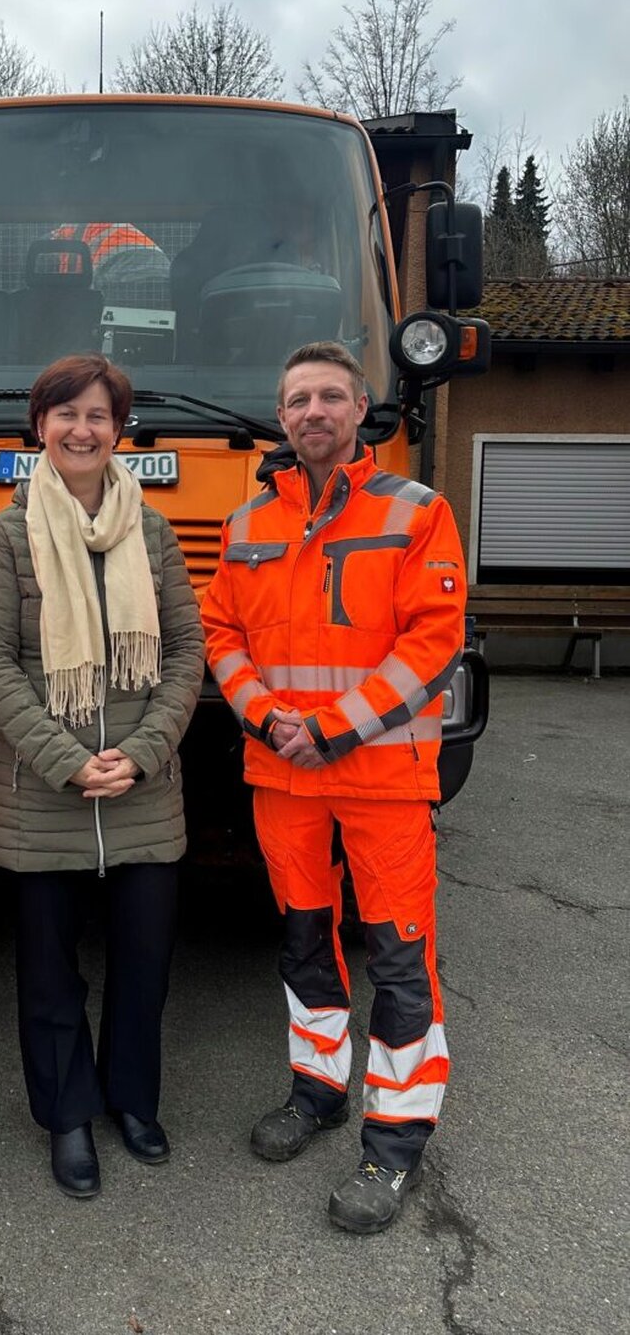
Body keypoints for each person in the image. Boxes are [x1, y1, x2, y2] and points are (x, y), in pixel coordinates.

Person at [201, 339, 466, 1234]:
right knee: (306, 944)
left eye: (330, 397)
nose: (313, 412)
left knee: (398, 961)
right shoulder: (244, 527)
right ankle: (316, 1092)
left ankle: (393, 1146)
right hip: (283, 779)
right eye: (297, 400)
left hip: (383, 779)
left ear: (360, 411)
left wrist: (329, 728)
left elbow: (432, 644)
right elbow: (220, 633)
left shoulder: (418, 510)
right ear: (281, 418)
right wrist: (264, 714)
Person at [0, 352, 203, 1198]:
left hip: (143, 787)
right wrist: (68, 761)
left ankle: (132, 1101)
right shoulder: (6, 534)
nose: (82, 429)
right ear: (41, 428)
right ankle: (68, 1115)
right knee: (49, 968)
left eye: (98, 415)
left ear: (118, 430)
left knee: (145, 962)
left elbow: (185, 655)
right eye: (65, 414)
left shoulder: (156, 532)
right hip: (44, 794)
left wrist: (140, 754)